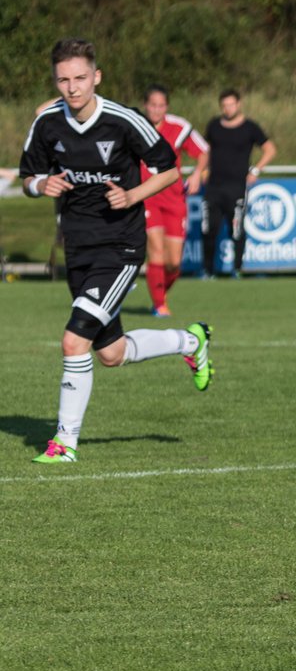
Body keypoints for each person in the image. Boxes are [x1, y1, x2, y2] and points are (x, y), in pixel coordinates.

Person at [19, 38, 215, 464]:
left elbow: (169, 169)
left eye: (80, 78)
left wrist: (131, 196)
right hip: (80, 248)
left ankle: (64, 444)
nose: (72, 88)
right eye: (63, 80)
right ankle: (190, 341)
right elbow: (27, 177)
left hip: (121, 246)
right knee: (110, 353)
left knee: (74, 342)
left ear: (97, 77)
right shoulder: (48, 123)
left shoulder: (124, 120)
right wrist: (41, 185)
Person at [141, 84, 209, 316]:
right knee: (156, 251)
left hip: (174, 198)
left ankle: (160, 294)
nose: (156, 110)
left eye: (161, 105)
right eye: (152, 105)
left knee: (174, 263)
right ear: (145, 105)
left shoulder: (179, 127)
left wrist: (198, 173)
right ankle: (160, 306)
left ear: (166, 107)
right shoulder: (134, 126)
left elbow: (203, 152)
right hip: (147, 197)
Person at [197, 88, 276, 278]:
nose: (228, 108)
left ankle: (237, 269)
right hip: (214, 187)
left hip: (237, 187)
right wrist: (203, 169)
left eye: (231, 104)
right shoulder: (214, 125)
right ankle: (208, 271)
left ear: (238, 104)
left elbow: (270, 149)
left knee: (237, 229)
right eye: (224, 105)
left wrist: (256, 170)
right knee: (209, 229)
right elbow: (205, 149)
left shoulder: (250, 127)